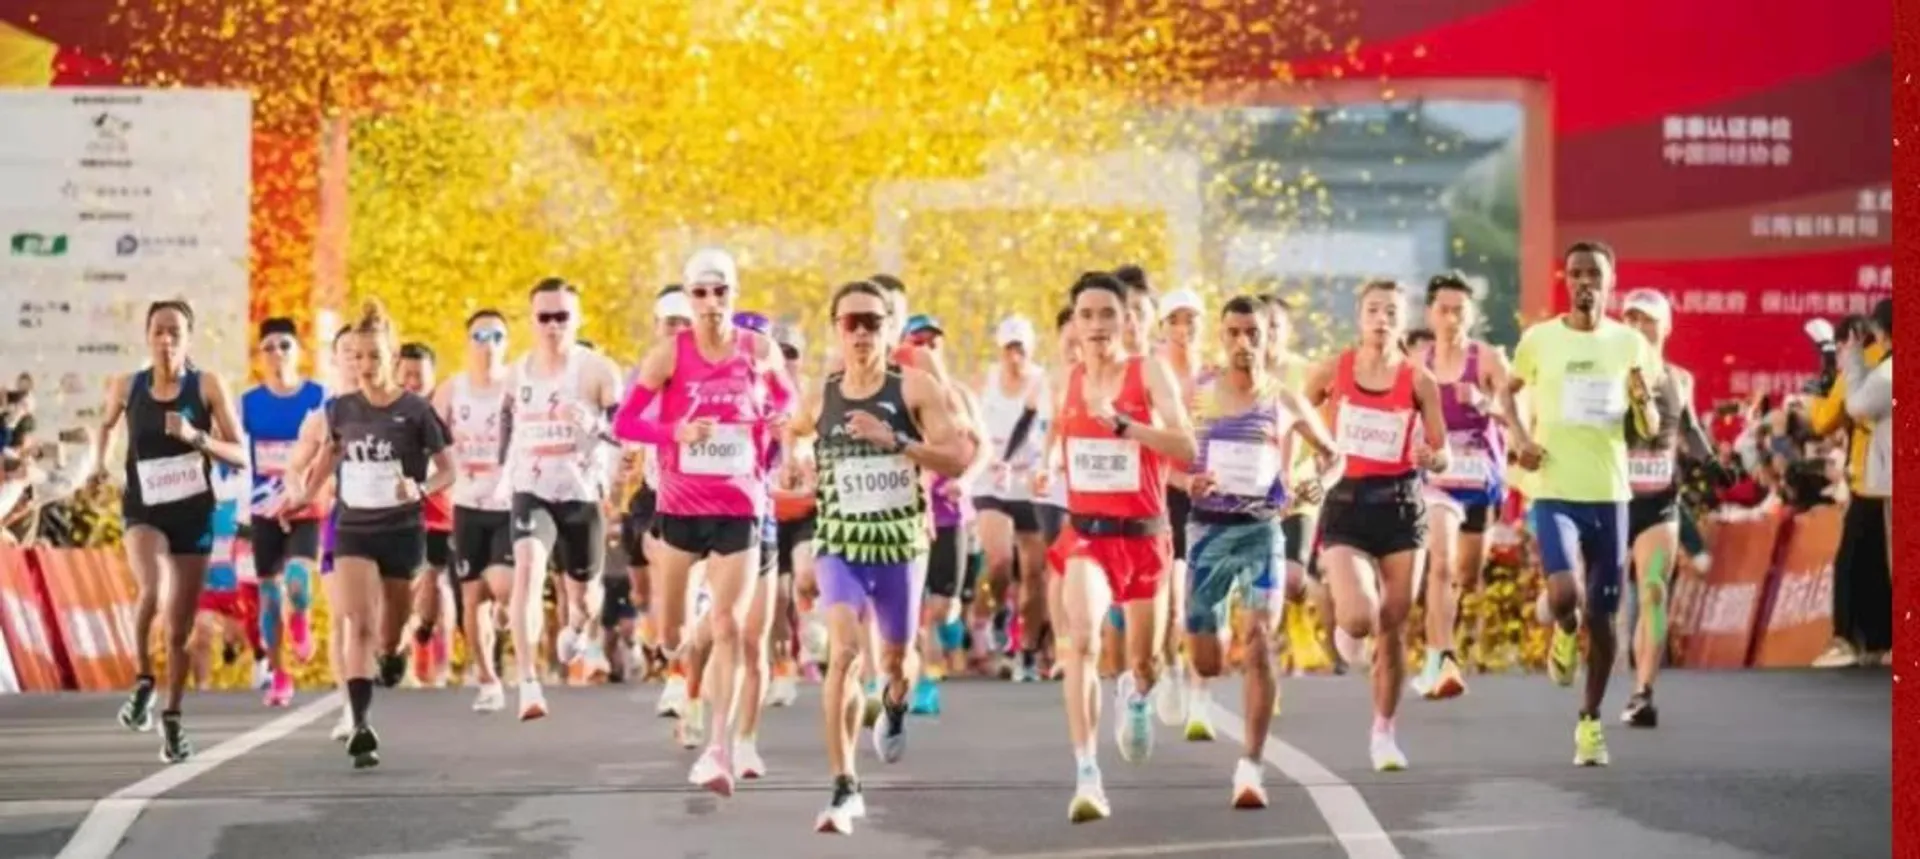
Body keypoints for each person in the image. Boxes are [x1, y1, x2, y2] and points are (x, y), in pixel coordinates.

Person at [786, 281, 971, 834]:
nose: (862, 332)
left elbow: (957, 458)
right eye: (852, 323)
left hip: (899, 545)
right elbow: (792, 431)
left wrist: (896, 441)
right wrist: (794, 460)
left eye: (873, 322)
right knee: (843, 653)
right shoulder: (821, 394)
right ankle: (844, 784)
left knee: (895, 660)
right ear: (837, 330)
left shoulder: (914, 387)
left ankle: (893, 704)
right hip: (840, 543)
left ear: (889, 329)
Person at [613, 249, 792, 796]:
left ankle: (718, 749)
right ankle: (678, 661)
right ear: (689, 298)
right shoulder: (670, 354)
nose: (712, 303)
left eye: (721, 292)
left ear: (734, 294)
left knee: (730, 625)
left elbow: (787, 398)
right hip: (680, 509)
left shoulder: (757, 349)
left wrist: (776, 421)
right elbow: (625, 422)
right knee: (672, 635)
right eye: (701, 293)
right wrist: (677, 433)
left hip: (739, 504)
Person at [1040, 271, 1196, 824]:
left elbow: (1186, 446)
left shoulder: (1147, 372)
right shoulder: (1067, 379)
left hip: (1145, 536)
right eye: (1087, 315)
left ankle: (1137, 694)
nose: (1097, 324)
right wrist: (1046, 466)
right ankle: (1087, 774)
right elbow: (1059, 434)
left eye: (1108, 313)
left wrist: (1130, 428)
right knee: (1082, 641)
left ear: (1126, 320)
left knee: (1143, 660)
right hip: (1088, 535)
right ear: (1074, 324)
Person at [1501, 241, 1660, 766]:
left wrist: (1642, 400)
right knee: (1565, 594)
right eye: (1576, 273)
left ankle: (1589, 722)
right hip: (1555, 488)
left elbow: (1649, 427)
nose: (1585, 282)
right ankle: (1564, 631)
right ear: (1565, 280)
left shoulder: (1630, 344)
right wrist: (1520, 437)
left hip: (1609, 494)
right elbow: (1506, 392)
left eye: (1595, 273)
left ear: (1610, 281)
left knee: (1605, 616)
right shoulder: (1540, 340)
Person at [1183, 295, 1342, 807]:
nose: (1243, 342)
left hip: (1262, 531)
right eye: (1233, 332)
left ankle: (1250, 766)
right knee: (1206, 660)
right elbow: (1161, 457)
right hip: (1208, 532)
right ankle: (1204, 654)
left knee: (1259, 641)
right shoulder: (1197, 394)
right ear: (1221, 337)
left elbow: (1334, 457)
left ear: (1266, 338)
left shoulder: (1284, 400)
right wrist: (1186, 480)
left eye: (1253, 333)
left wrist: (1320, 483)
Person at [286, 300, 455, 768]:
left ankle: (392, 654)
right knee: (356, 623)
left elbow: (449, 470)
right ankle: (360, 724)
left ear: (392, 357)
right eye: (356, 356)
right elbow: (328, 459)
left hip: (401, 531)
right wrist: (303, 497)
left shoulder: (416, 411)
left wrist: (419, 488)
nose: (364, 365)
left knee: (388, 633)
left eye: (374, 356)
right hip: (354, 529)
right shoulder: (340, 409)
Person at [1302, 281, 1450, 772]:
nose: (1381, 319)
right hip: (1345, 504)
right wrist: (1311, 456)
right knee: (1361, 617)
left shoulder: (1419, 380)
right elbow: (1293, 416)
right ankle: (1348, 625)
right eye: (1373, 310)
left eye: (1391, 311)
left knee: (1392, 625)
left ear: (1403, 320)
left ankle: (1383, 731)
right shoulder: (1333, 370)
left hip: (1401, 507)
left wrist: (1433, 457)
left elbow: (1443, 452)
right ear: (1359, 316)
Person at [98, 300, 248, 762]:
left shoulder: (207, 386)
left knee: (180, 630)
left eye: (175, 332)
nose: (166, 340)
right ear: (147, 336)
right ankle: (144, 679)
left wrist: (196, 437)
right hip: (144, 510)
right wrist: (102, 465)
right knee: (152, 587)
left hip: (192, 516)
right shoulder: (127, 385)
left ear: (188, 339)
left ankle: (173, 719)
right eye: (158, 331)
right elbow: (105, 426)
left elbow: (239, 454)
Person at [496, 277, 626, 720]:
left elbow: (625, 430)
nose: (553, 326)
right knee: (528, 570)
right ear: (532, 320)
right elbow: (506, 422)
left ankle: (576, 627)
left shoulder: (598, 370)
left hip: (580, 493)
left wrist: (594, 424)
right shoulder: (517, 372)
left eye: (562, 317)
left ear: (577, 319)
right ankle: (528, 683)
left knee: (583, 598)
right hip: (531, 489)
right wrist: (500, 472)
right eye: (544, 317)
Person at [1615, 289, 1717, 727]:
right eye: (1631, 319)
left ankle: (1643, 692)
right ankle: (1558, 610)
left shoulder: (1680, 379)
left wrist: (1712, 462)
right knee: (1588, 598)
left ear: (1666, 327)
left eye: (1648, 320)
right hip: (1611, 501)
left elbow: (1690, 428)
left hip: (1658, 503)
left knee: (1654, 591)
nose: (1639, 327)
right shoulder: (1609, 376)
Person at [1412, 273, 1511, 700]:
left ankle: (1444, 639)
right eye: (1444, 310)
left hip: (1478, 478)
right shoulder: (1416, 361)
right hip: (1437, 480)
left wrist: (1484, 402)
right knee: (1441, 565)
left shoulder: (1487, 359)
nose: (1452, 318)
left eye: (1460, 310)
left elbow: (1513, 413)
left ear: (1472, 315)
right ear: (1430, 314)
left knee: (1467, 575)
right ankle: (1440, 658)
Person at [435, 310, 515, 711]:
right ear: (468, 342)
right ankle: (487, 678)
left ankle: (507, 608)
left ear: (507, 343)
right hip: (466, 503)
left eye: (497, 336)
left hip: (509, 502)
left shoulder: (517, 386)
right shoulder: (453, 390)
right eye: (481, 336)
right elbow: (429, 437)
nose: (489, 345)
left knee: (502, 585)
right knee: (472, 597)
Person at [967, 315, 1051, 683]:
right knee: (999, 561)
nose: (1015, 357)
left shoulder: (1043, 382)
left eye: (1021, 349)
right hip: (991, 482)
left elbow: (1048, 427)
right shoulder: (984, 381)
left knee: (1034, 572)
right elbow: (965, 422)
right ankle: (988, 615)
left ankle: (1027, 650)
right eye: (1009, 349)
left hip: (1029, 484)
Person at [399, 342, 455, 686]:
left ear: (433, 376)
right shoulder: (389, 408)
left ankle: (439, 658)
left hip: (440, 510)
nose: (411, 382)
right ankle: (405, 656)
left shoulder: (444, 409)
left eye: (418, 375)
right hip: (400, 512)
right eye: (405, 374)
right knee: (404, 585)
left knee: (436, 582)